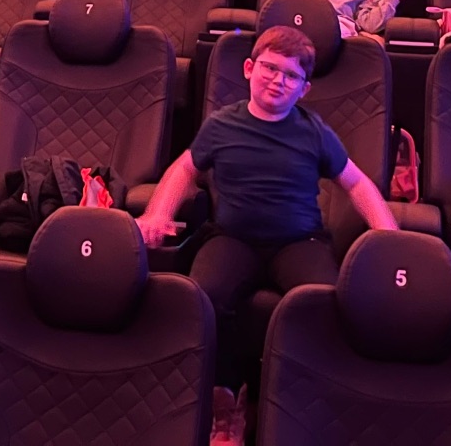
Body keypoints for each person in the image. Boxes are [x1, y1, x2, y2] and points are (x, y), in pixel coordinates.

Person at [137, 24, 398, 438]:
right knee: (204, 297)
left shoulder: (313, 131)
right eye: (270, 68)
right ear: (249, 68)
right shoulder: (221, 125)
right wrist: (157, 213)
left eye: (291, 75)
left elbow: (357, 184)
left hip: (298, 241)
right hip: (231, 238)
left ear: (304, 89)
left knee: (322, 301)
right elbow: (184, 170)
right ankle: (227, 399)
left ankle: (302, 402)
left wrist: (389, 236)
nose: (278, 80)